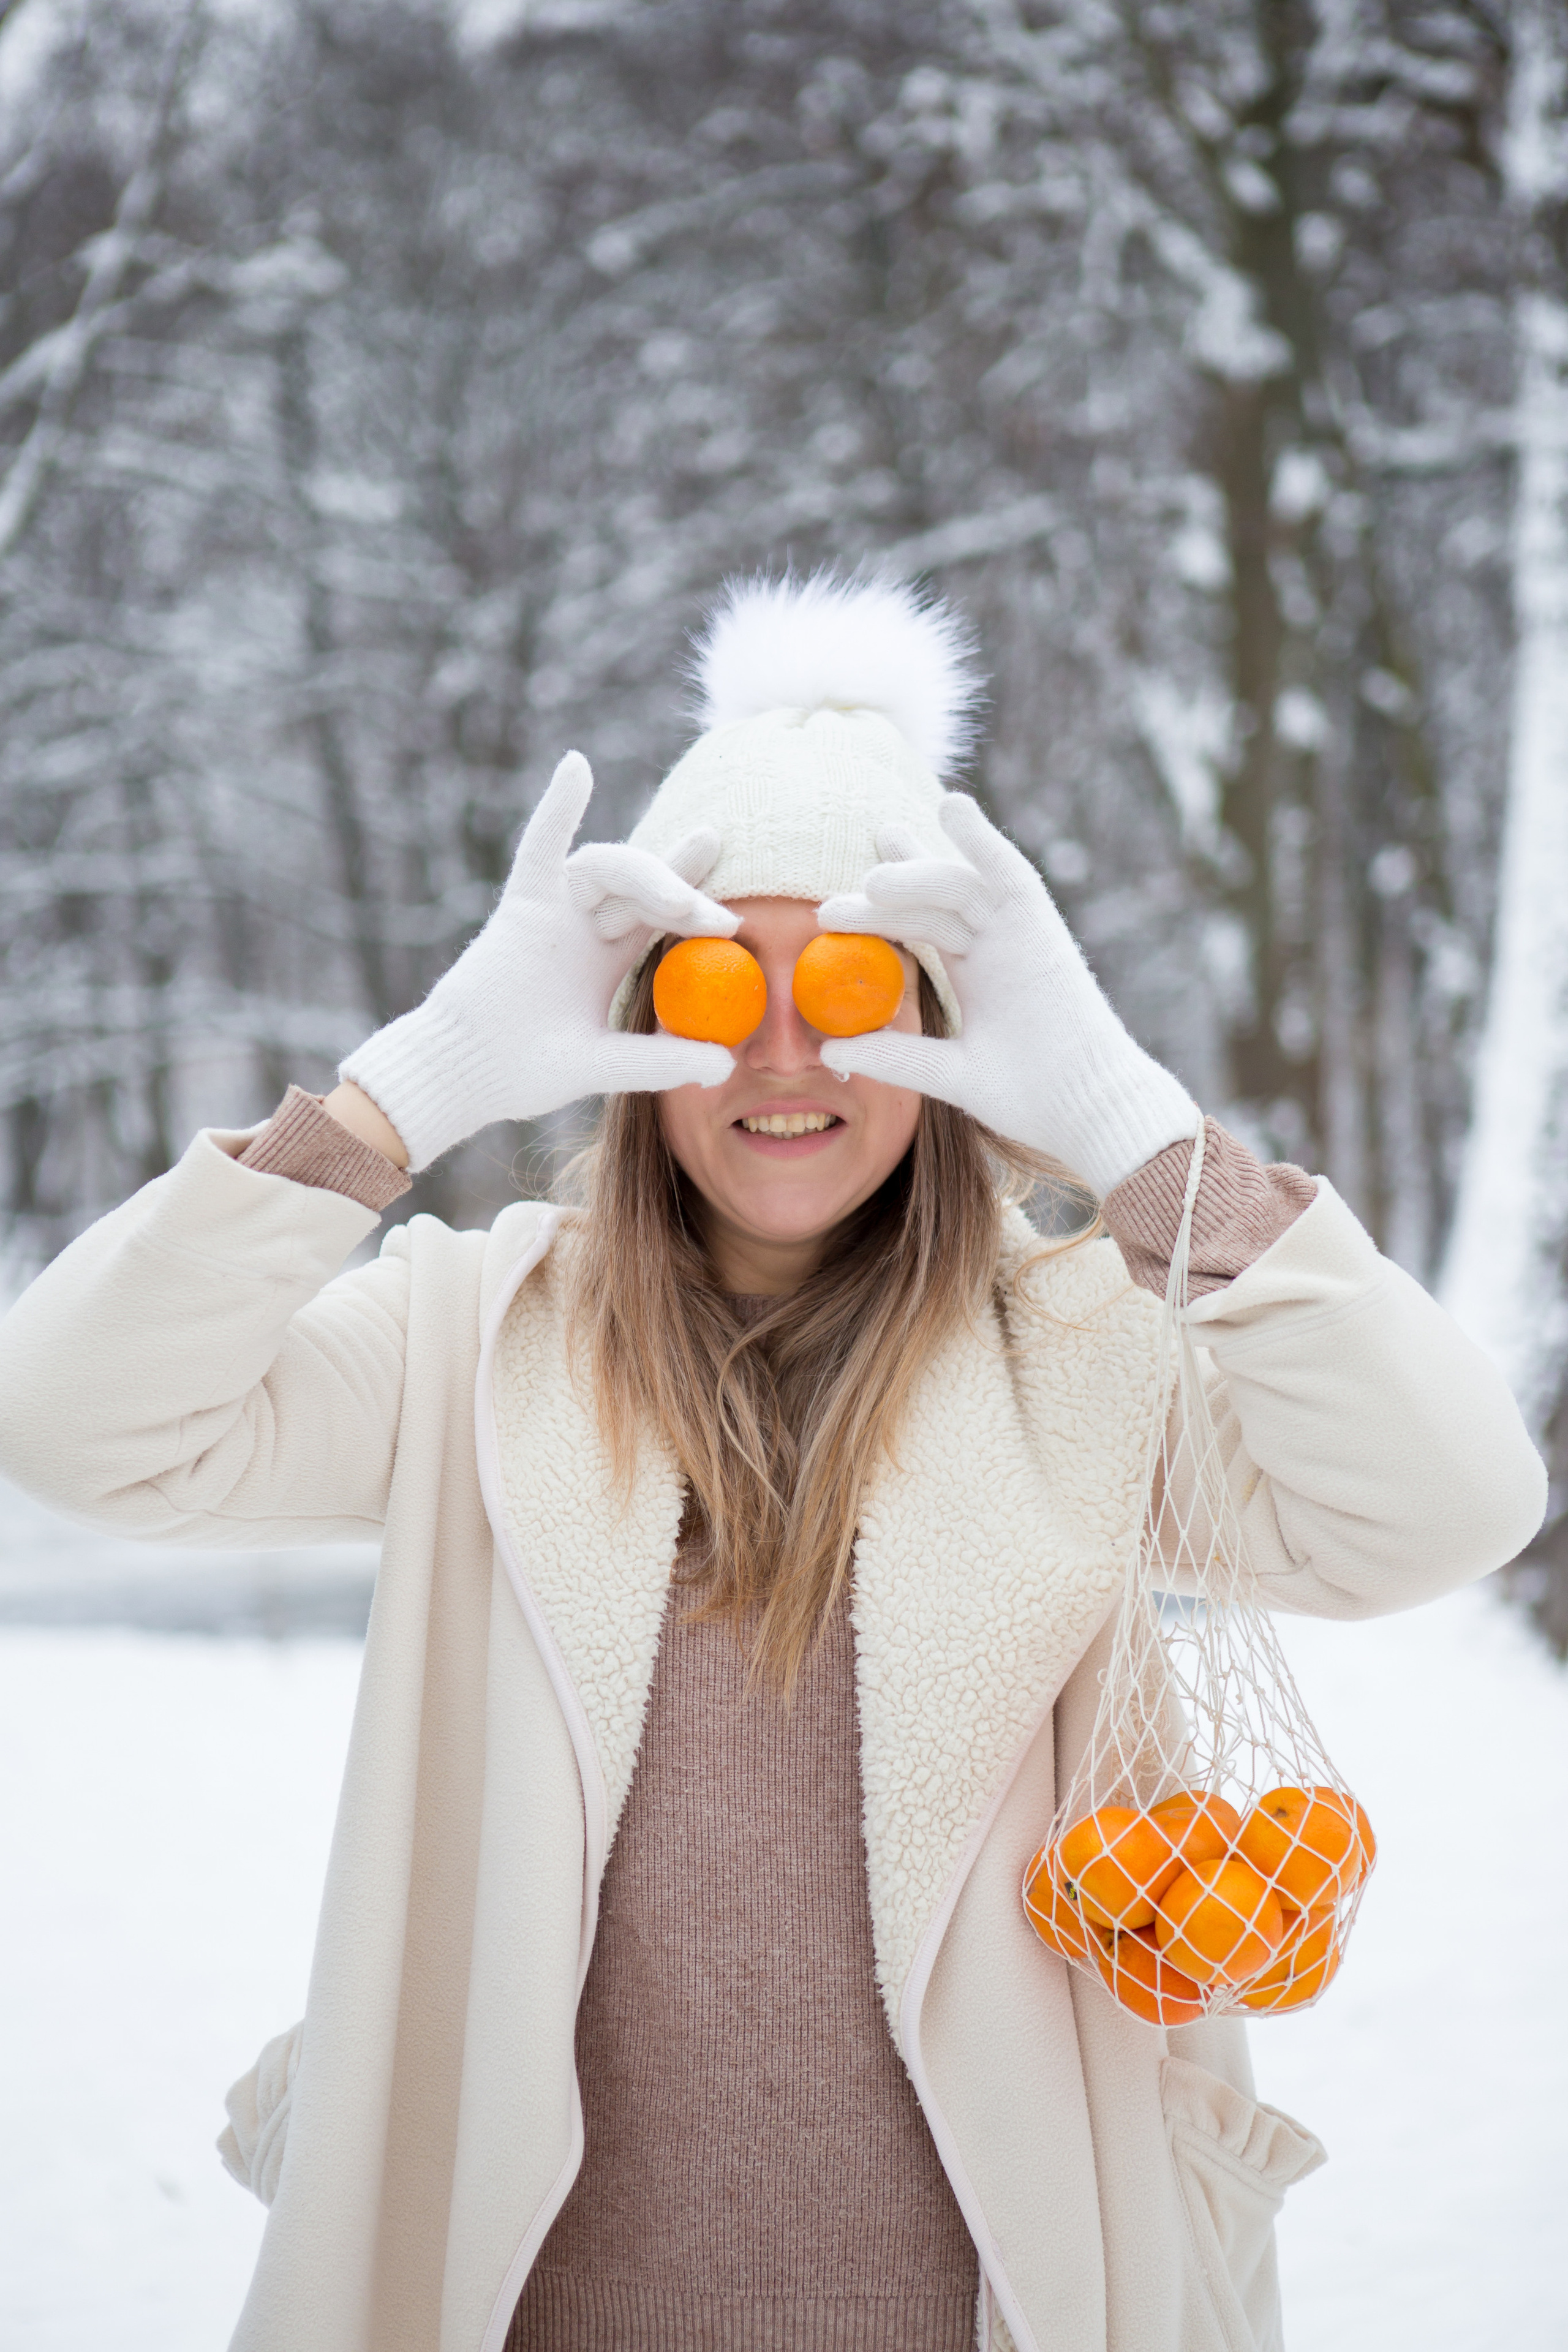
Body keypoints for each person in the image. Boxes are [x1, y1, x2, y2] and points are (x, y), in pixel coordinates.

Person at [0, 574, 1544, 2352]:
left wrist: (1135, 1131)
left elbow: (1453, 1507)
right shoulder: (471, 1338)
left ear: (954, 1031)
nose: (785, 1058)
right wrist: (403, 1095)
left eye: (861, 992)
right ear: (631, 1022)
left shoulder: (1088, 1352)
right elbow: (72, 1424)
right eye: (722, 986)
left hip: (980, 2308)